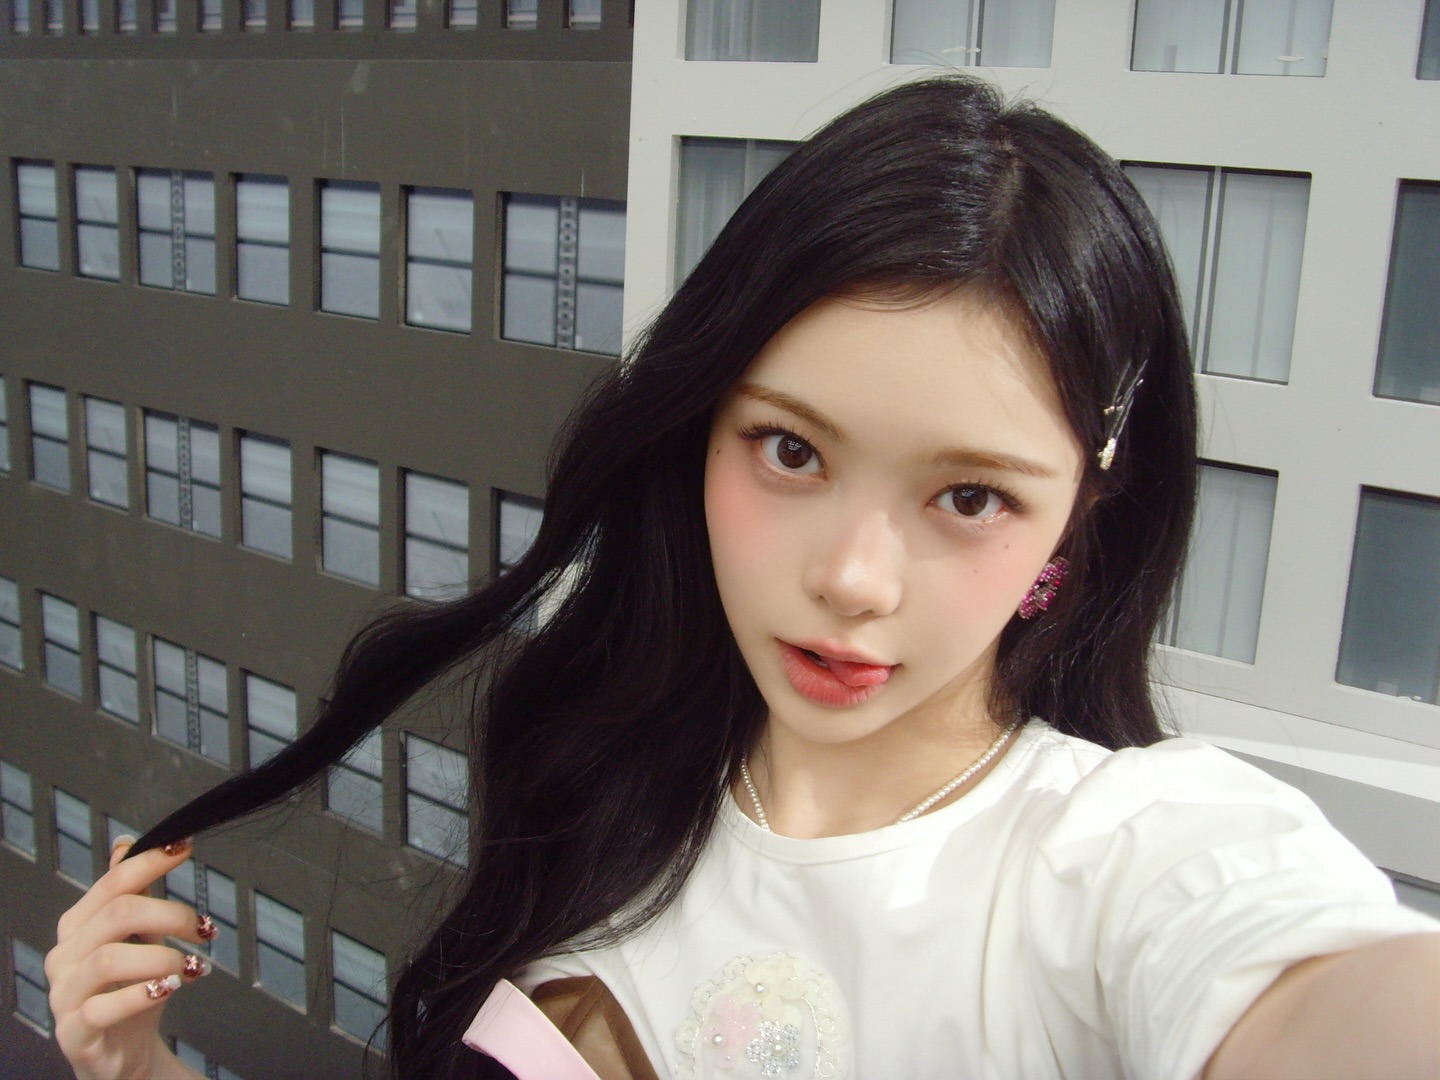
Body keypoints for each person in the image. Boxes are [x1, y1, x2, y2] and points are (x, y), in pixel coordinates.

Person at [46, 75, 1439, 1080]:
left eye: (970, 496)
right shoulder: (613, 770)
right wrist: (136, 1066)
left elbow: (1315, 989)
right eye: (790, 449)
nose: (853, 578)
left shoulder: (1114, 863)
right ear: (700, 427)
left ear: (1077, 521)